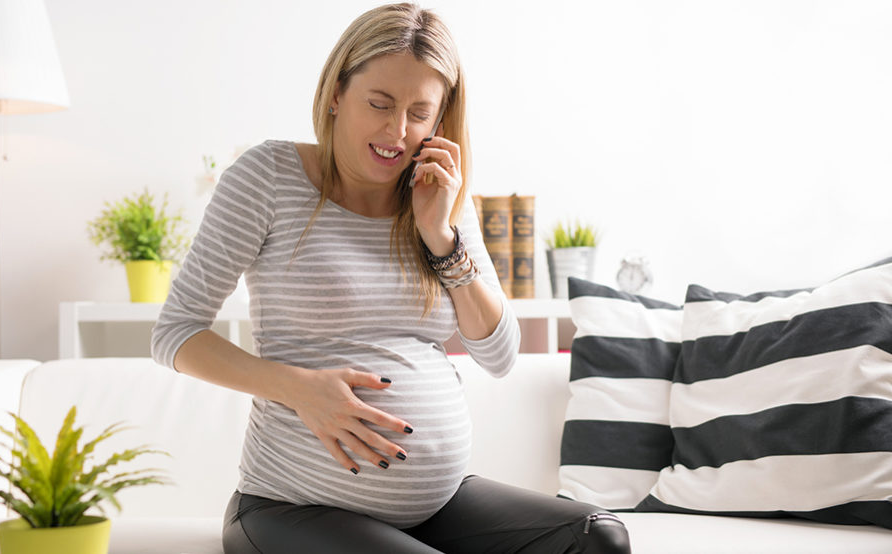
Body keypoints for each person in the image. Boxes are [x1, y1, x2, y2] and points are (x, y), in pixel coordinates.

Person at [151, 3, 631, 553]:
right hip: (293, 507)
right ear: (336, 93)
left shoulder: (441, 197)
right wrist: (300, 389)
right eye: (379, 104)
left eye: (419, 113)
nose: (397, 131)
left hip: (436, 506)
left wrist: (439, 235)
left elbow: (499, 354)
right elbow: (175, 333)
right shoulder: (268, 178)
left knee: (599, 539)